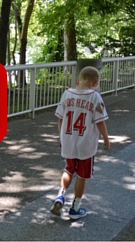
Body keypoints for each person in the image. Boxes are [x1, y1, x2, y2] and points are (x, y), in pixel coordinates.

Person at [50, 66, 110, 219]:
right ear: (95, 83)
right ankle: (75, 208)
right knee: (82, 175)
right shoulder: (95, 97)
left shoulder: (67, 94)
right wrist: (106, 138)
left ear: (78, 80)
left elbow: (61, 119)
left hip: (68, 140)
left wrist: (61, 136)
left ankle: (60, 196)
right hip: (86, 144)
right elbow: (100, 121)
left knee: (69, 169)